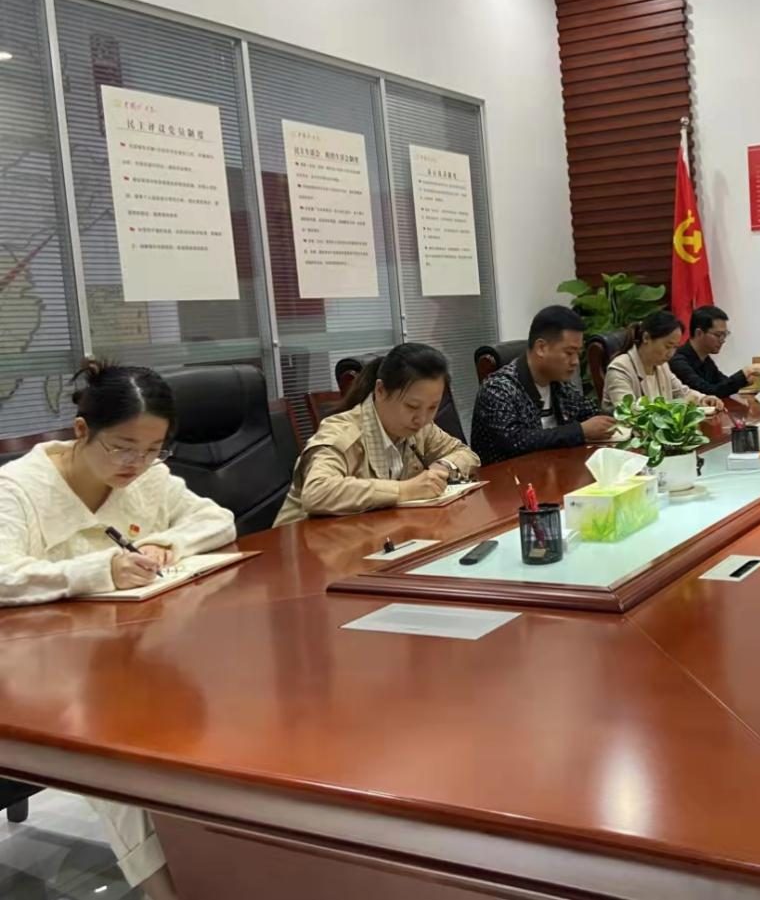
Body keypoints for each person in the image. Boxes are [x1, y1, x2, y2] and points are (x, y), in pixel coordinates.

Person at [0, 360, 238, 900]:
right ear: (82, 430)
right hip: (33, 668)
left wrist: (166, 542)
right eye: (123, 448)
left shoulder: (147, 475)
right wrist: (98, 570)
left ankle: (238, 864)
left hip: (118, 655)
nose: (138, 463)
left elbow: (216, 519)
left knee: (202, 728)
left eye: (154, 449)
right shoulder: (19, 488)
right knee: (120, 758)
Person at [275, 343, 480, 525]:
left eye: (433, 407)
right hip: (305, 547)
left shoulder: (421, 428)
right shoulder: (341, 433)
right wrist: (404, 490)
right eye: (412, 406)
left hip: (370, 534)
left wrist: (443, 467)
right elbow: (317, 491)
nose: (422, 419)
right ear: (380, 390)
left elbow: (466, 454)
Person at [470, 306, 618, 465]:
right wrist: (580, 431)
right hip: (509, 477)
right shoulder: (498, 389)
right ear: (541, 348)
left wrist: (616, 418)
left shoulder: (560, 385)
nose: (575, 361)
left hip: (556, 472)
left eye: (578, 353)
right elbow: (516, 442)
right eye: (569, 353)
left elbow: (590, 413)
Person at [602, 311, 728, 413]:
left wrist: (703, 399)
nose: (671, 354)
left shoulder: (662, 366)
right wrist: (675, 407)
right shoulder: (620, 369)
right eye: (667, 346)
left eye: (675, 347)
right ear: (646, 338)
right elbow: (629, 412)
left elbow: (682, 393)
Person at [670, 305, 760, 397]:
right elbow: (707, 392)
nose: (723, 340)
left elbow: (722, 384)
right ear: (699, 333)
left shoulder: (705, 359)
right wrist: (745, 372)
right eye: (718, 335)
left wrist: (747, 379)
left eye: (725, 335)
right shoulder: (678, 360)